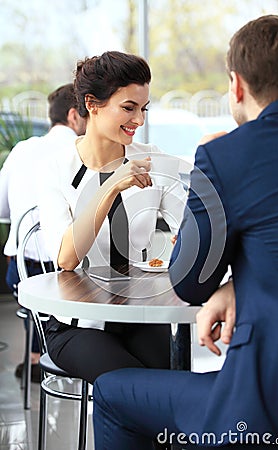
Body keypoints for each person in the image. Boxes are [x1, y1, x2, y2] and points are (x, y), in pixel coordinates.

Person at [92, 15, 278, 450]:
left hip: (269, 408)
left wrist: (221, 283)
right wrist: (239, 286)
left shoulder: (229, 155)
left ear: (237, 86)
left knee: (112, 394)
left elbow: (189, 283)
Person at [38, 51, 187, 385]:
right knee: (134, 387)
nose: (139, 120)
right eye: (129, 108)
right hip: (78, 324)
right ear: (92, 104)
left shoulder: (153, 161)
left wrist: (190, 235)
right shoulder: (55, 169)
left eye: (143, 109)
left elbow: (191, 222)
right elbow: (66, 257)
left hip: (140, 314)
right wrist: (112, 186)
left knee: (174, 379)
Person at [0, 83, 86, 382]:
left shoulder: (22, 149)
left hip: (22, 275)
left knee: (33, 298)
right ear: (75, 116)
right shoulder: (80, 153)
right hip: (68, 277)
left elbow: (1, 209)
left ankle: (37, 356)